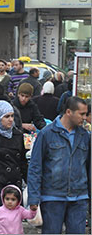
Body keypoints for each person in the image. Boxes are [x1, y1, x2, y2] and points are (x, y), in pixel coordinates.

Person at [28, 96, 90, 234]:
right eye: (82, 114)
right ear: (69, 112)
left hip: (79, 197)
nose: (85, 118)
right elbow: (35, 167)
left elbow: (89, 168)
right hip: (52, 197)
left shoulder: (85, 136)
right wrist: (34, 198)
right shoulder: (46, 134)